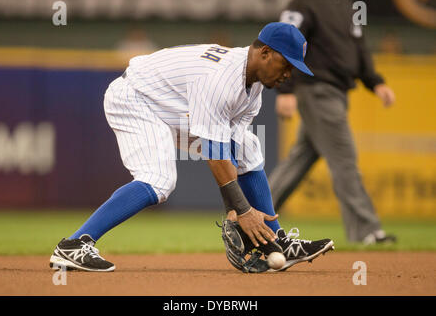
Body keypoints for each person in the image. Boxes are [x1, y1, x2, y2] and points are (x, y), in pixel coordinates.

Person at [49, 22, 334, 272]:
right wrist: (244, 213)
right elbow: (214, 156)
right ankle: (74, 245)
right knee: (158, 180)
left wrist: (233, 214)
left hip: (170, 106)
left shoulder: (254, 89)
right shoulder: (222, 79)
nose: (289, 74)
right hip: (135, 98)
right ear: (264, 53)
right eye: (286, 64)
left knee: (247, 146)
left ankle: (276, 242)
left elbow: (230, 153)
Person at [269, 0, 397, 244]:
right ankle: (366, 232)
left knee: (300, 159)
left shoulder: (349, 6)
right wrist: (285, 89)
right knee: (344, 159)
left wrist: (375, 81)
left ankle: (254, 213)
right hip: (317, 88)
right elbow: (285, 41)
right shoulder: (304, 3)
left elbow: (358, 47)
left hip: (336, 91)